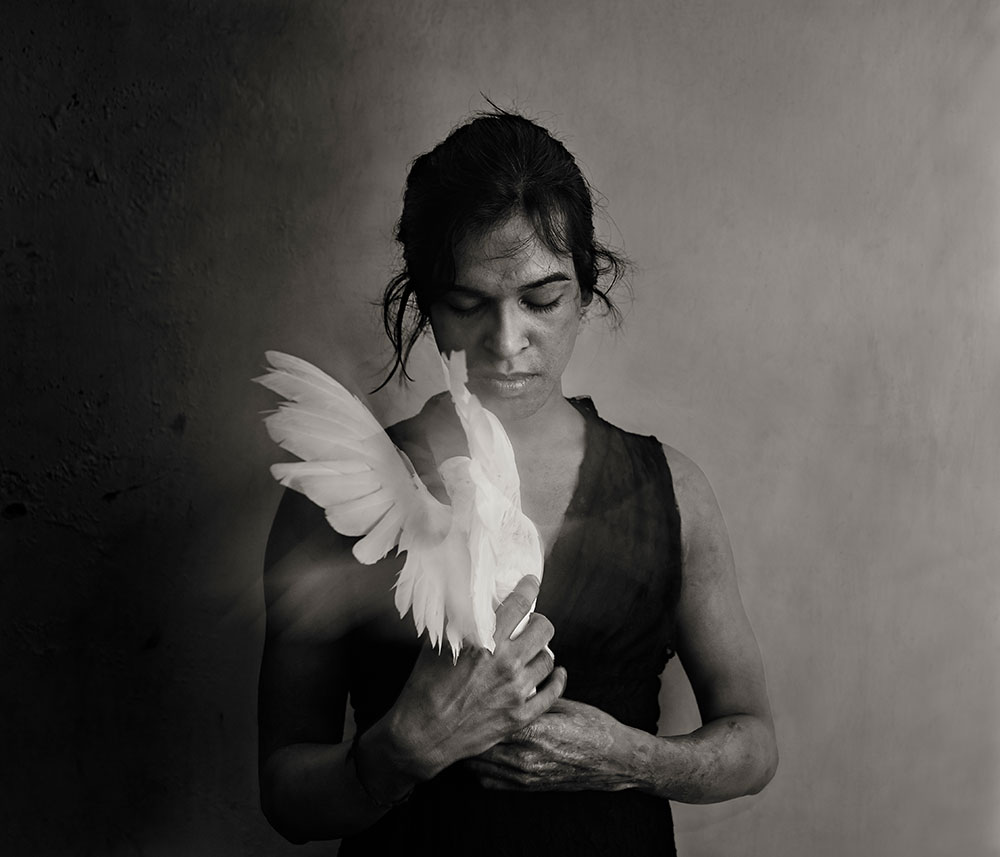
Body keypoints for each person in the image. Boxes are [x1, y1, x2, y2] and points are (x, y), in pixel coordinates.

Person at [257, 109, 778, 855]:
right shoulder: (333, 494)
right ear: (428, 305)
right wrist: (397, 752)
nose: (507, 343)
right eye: (468, 305)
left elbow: (754, 743)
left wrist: (630, 759)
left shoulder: (672, 491)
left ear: (587, 290)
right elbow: (284, 793)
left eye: (542, 300)